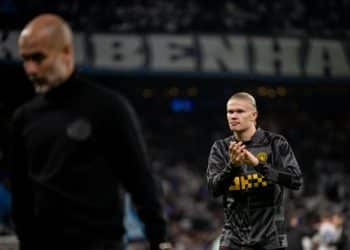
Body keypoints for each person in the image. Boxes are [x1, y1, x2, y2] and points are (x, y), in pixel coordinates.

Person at [9, 13, 171, 250]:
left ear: (66, 52)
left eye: (38, 58)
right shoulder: (23, 118)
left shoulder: (108, 107)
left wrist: (159, 238)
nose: (30, 69)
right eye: (25, 59)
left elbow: (139, 177)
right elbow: (21, 196)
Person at [207, 92, 303, 250]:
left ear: (254, 115)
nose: (233, 116)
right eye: (230, 112)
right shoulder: (221, 148)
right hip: (232, 240)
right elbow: (213, 189)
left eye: (240, 111)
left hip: (270, 240)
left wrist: (259, 165)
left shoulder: (275, 144)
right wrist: (233, 166)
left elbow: (295, 180)